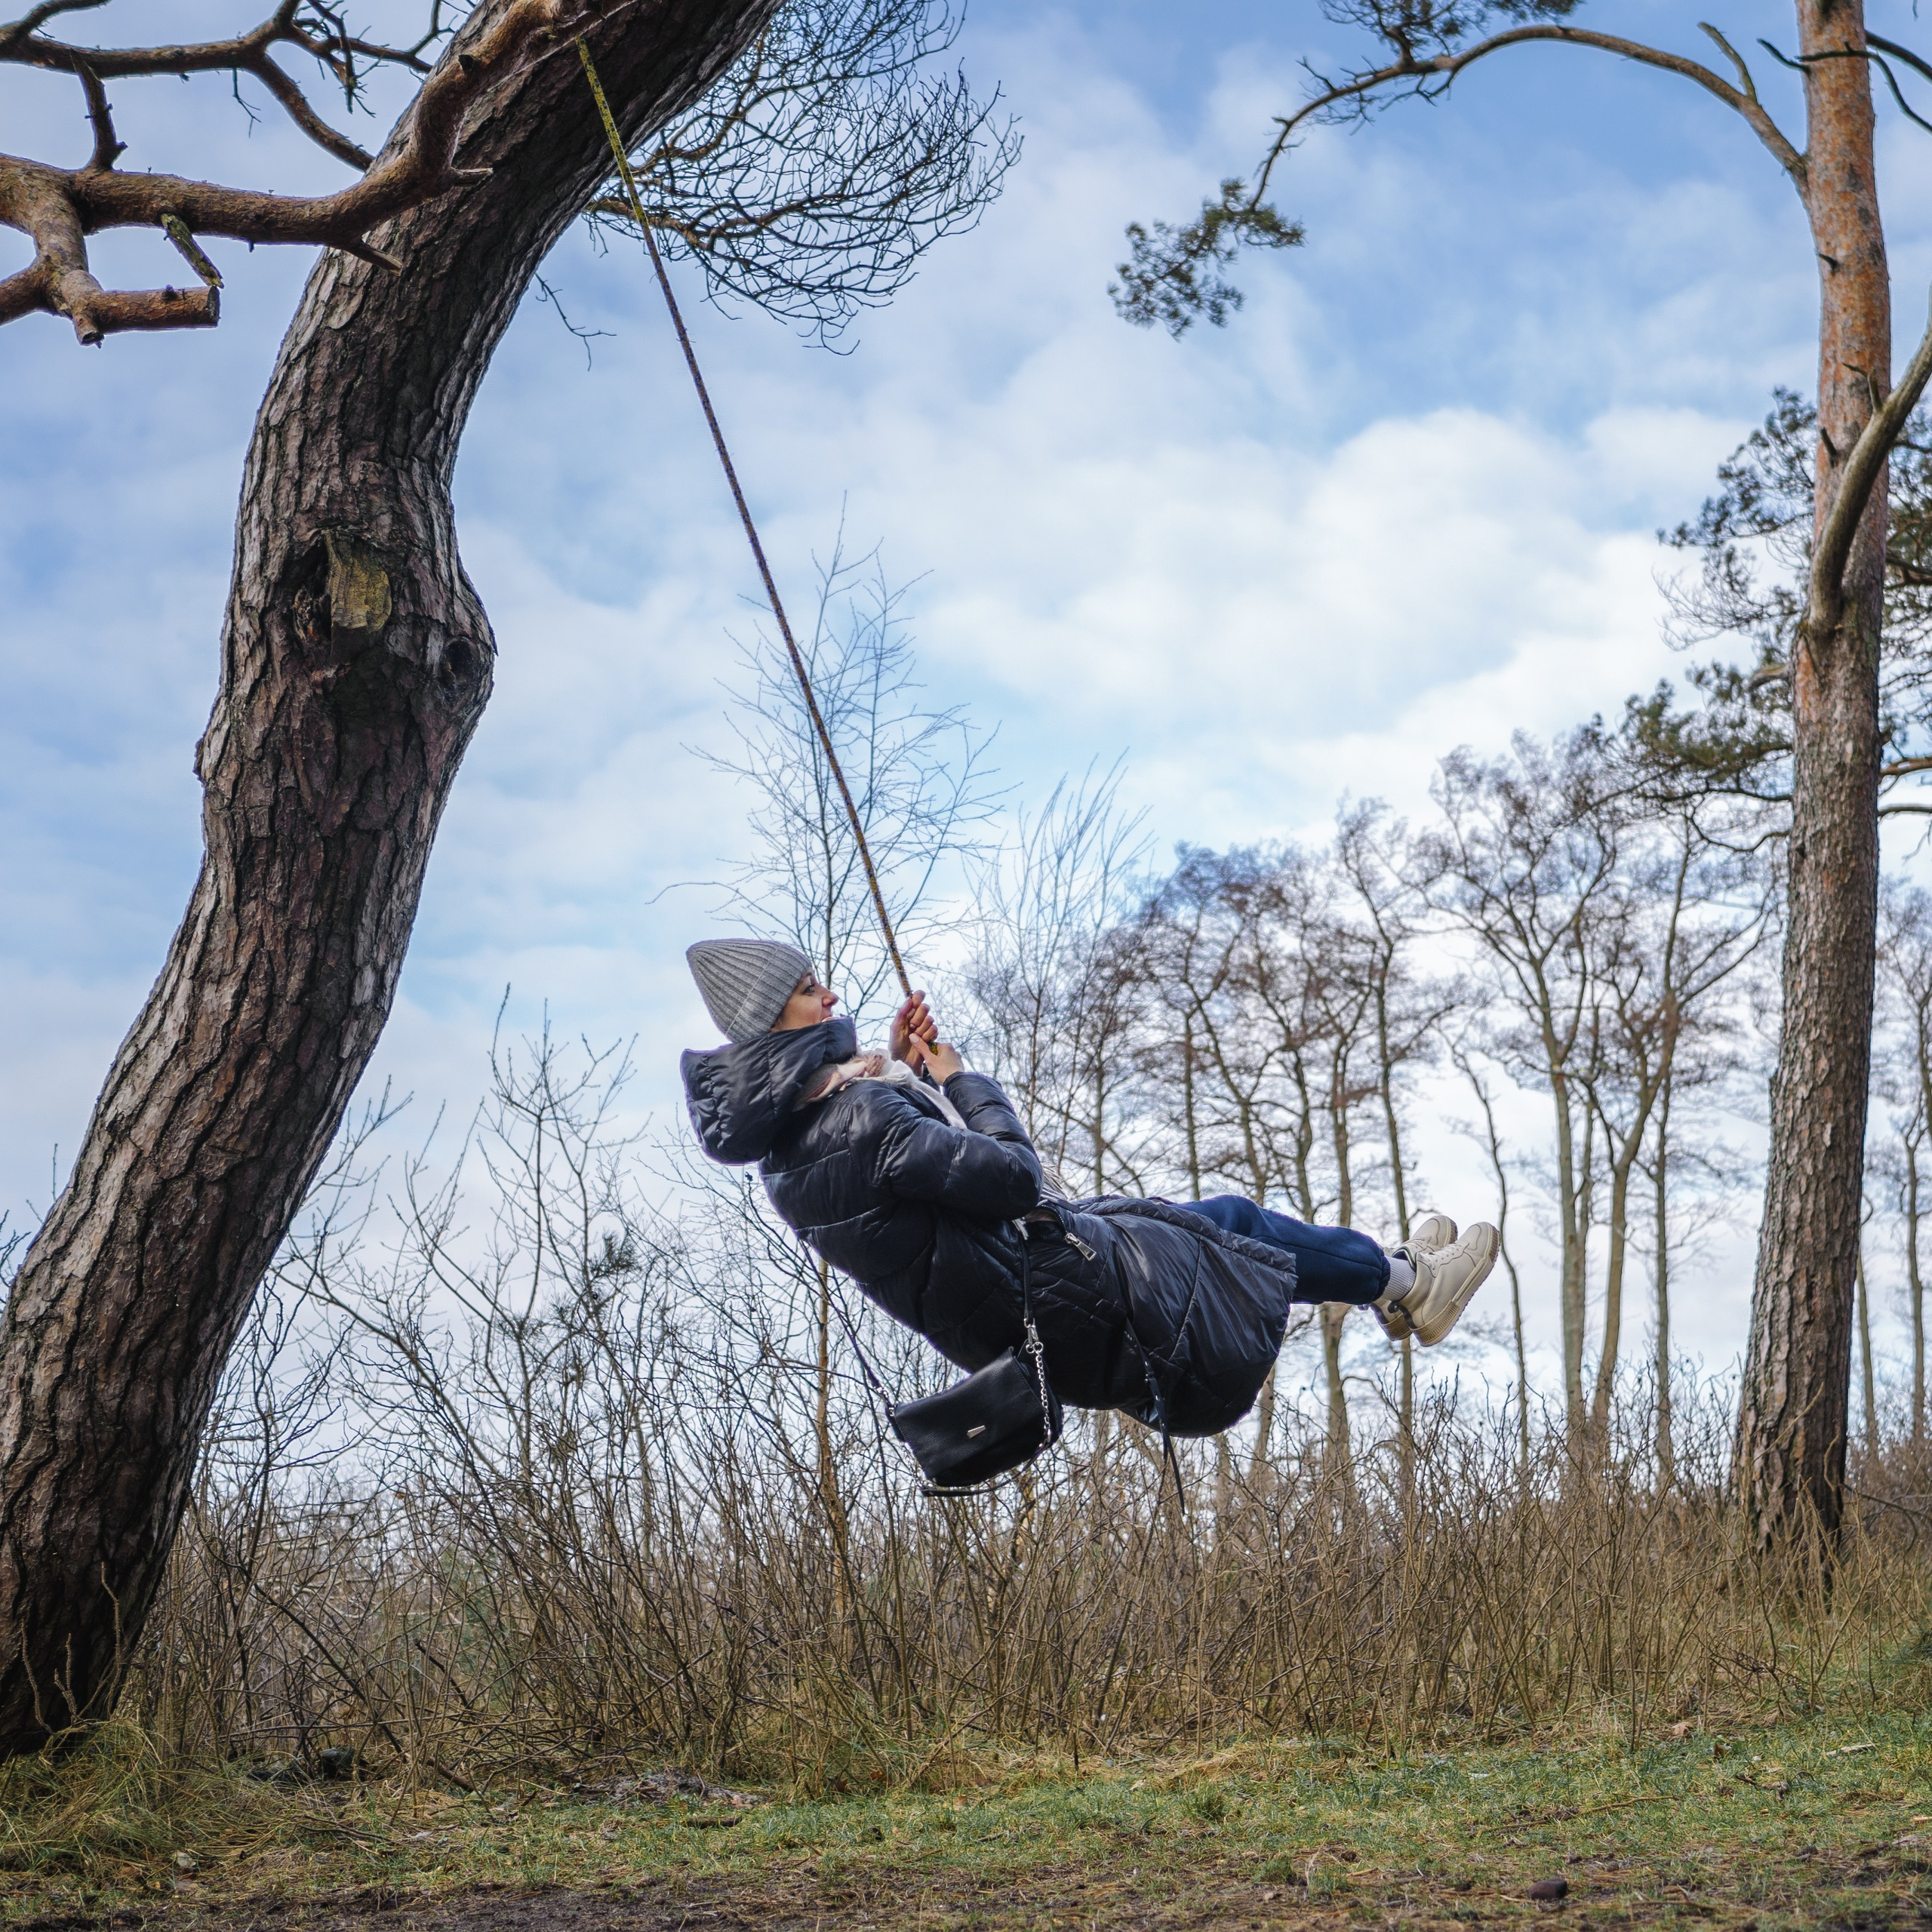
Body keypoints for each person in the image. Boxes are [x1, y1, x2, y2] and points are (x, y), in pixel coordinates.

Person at [681, 937, 1500, 1440]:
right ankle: (1409, 1287)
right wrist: (958, 1078)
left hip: (1016, 1320)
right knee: (1234, 1228)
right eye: (807, 989)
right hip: (1056, 1288)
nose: (829, 995)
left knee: (1221, 1225)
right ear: (770, 1025)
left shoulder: (790, 1153)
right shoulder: (859, 1116)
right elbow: (1011, 1177)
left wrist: (902, 1071)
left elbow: (913, 1187)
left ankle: (1394, 1279)